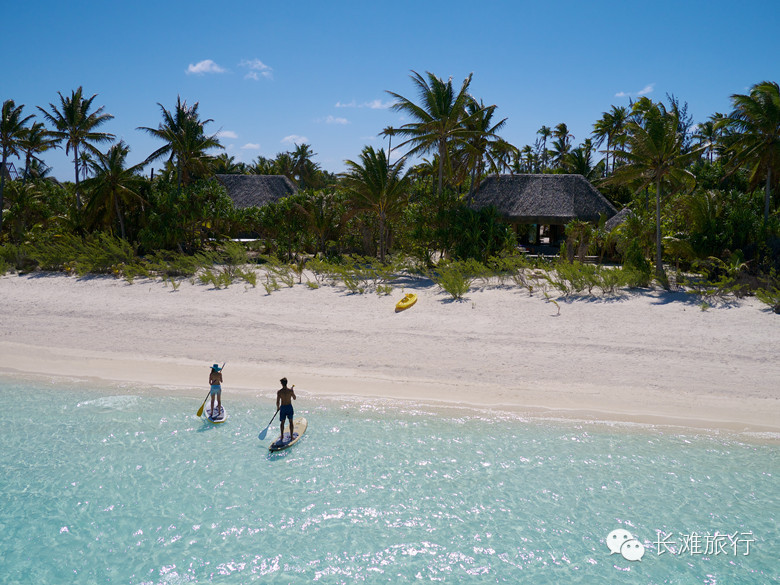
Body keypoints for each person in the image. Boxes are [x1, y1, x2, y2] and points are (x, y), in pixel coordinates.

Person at [276, 377, 296, 442]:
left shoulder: (279, 392)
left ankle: (282, 436)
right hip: (289, 407)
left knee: (282, 422)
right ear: (286, 383)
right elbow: (294, 398)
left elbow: (278, 401)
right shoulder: (290, 391)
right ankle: (292, 436)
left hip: (283, 407)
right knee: (291, 422)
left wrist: (278, 407)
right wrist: (292, 392)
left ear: (281, 384)